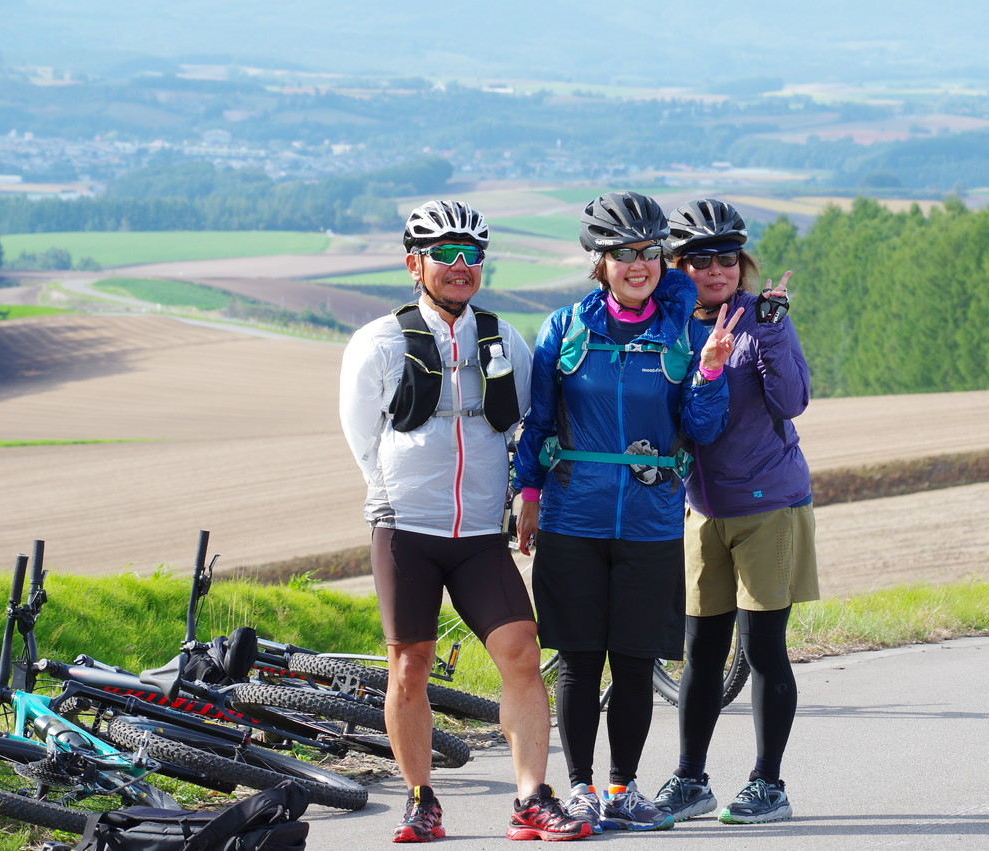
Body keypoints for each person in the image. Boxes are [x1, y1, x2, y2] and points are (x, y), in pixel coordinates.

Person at [339, 200, 591, 843]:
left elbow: (529, 428)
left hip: (479, 532)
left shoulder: (505, 339)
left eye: (471, 255)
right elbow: (361, 437)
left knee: (522, 654)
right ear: (413, 264)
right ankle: (421, 799)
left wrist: (522, 497)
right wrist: (392, 497)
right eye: (444, 255)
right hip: (407, 529)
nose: (460, 267)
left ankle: (532, 798)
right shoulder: (379, 342)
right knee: (409, 666)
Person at [513, 190, 740, 834]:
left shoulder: (685, 332)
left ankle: (623, 788)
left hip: (651, 519)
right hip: (572, 518)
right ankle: (581, 788)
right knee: (582, 661)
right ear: (600, 261)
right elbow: (538, 420)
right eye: (623, 254)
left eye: (648, 253)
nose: (637, 265)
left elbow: (701, 428)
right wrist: (526, 493)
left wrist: (711, 374)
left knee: (636, 662)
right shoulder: (565, 328)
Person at [650, 199, 819, 826]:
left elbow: (793, 400)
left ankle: (767, 784)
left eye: (726, 258)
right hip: (701, 506)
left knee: (763, 647)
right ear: (679, 267)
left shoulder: (760, 317)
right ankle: (691, 779)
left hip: (768, 504)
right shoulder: (672, 325)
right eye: (699, 259)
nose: (715, 269)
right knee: (700, 653)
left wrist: (770, 332)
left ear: (741, 263)